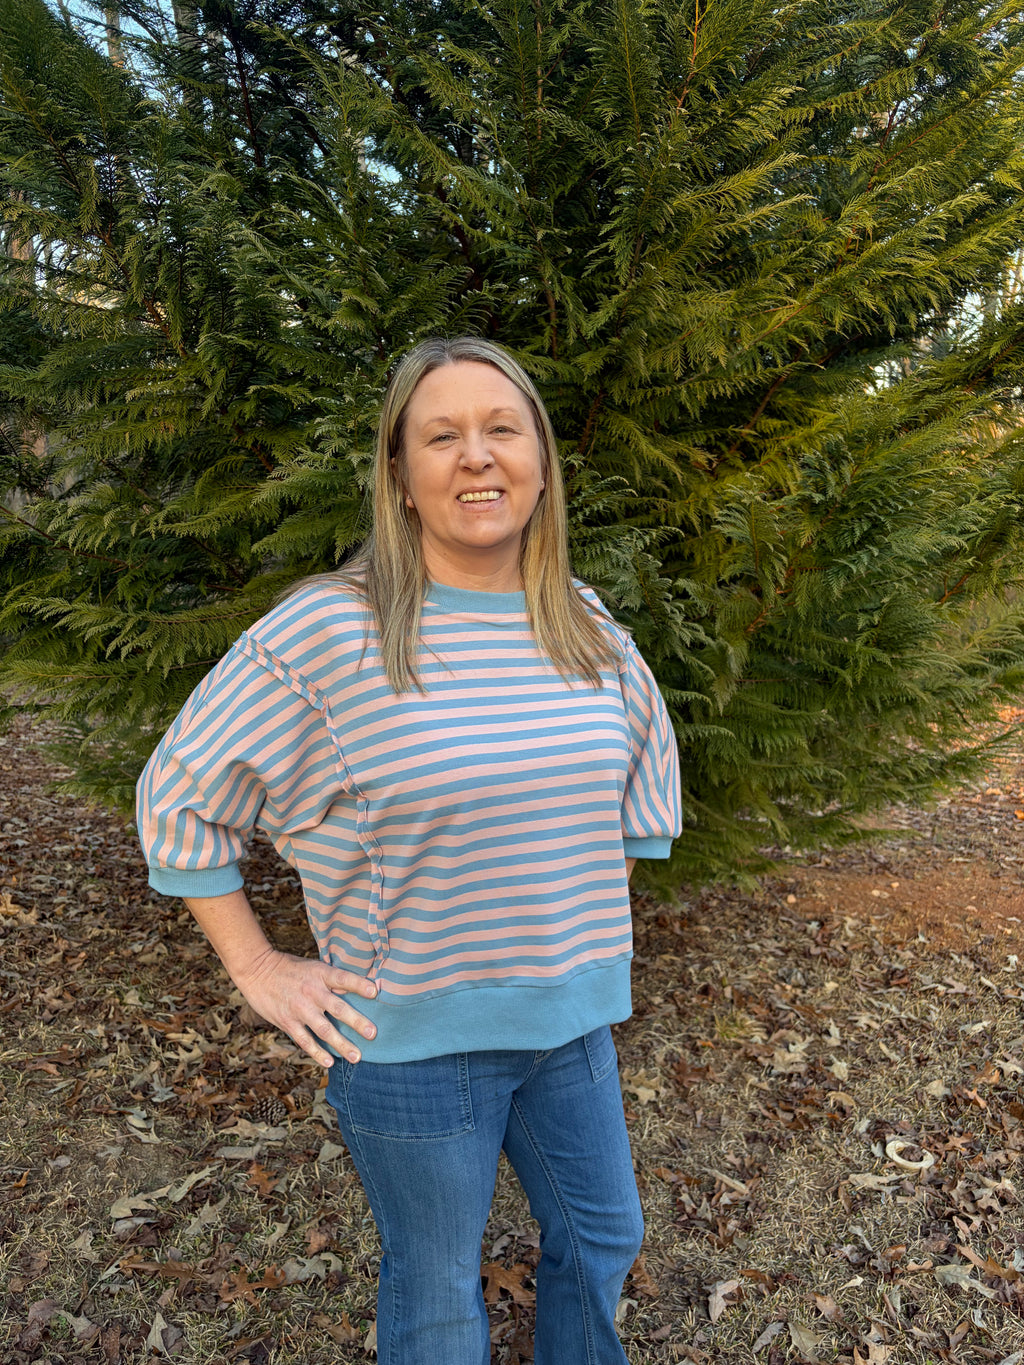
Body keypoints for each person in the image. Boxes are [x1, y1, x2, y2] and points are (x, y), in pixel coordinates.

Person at [137, 336, 682, 1364]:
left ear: (539, 460)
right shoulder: (330, 633)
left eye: (500, 429)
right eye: (442, 436)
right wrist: (256, 968)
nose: (476, 457)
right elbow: (178, 792)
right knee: (436, 1295)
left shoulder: (585, 626)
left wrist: (570, 943)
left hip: (569, 1034)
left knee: (604, 1234)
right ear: (400, 473)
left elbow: (632, 800)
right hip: (413, 1053)